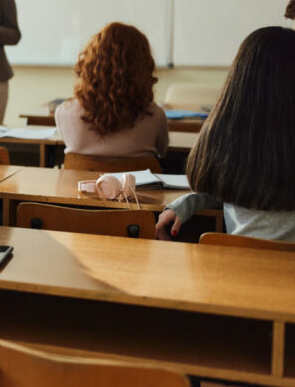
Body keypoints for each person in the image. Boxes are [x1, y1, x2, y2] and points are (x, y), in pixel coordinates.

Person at [156, 26, 295, 242]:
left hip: (233, 267)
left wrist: (184, 204)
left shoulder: (224, 138)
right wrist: (187, 204)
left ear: (239, 79)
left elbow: (224, 189)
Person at [55, 22, 168, 159]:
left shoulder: (64, 113)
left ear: (91, 63)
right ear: (143, 67)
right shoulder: (154, 115)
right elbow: (163, 152)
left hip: (81, 181)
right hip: (136, 181)